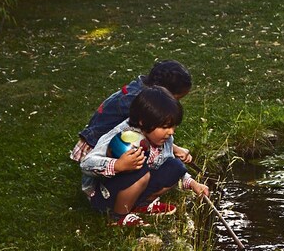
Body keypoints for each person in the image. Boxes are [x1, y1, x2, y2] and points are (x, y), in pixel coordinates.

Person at [80, 86, 210, 226]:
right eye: (165, 127)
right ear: (143, 121)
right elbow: (86, 164)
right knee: (140, 170)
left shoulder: (165, 139)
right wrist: (118, 166)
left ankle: (141, 204)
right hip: (105, 195)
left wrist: (192, 184)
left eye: (173, 127)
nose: (171, 132)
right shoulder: (122, 135)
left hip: (137, 184)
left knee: (176, 166)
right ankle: (117, 216)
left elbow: (168, 160)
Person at [70, 60, 194, 164]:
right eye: (176, 99)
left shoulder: (140, 88)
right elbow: (146, 131)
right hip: (96, 148)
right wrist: (174, 149)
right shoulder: (138, 102)